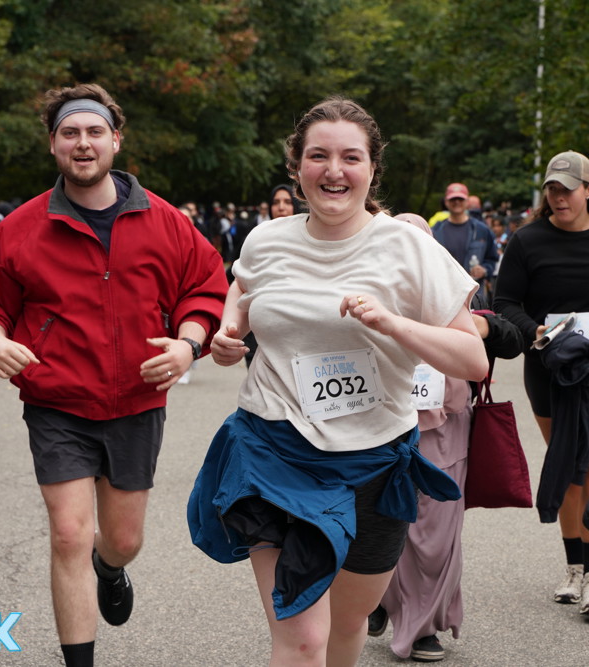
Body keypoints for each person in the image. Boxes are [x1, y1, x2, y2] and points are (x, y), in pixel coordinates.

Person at [188, 96, 488, 667]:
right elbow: (243, 290)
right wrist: (228, 334)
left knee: (348, 625)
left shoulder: (409, 248)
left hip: (374, 462)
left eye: (351, 157)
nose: (334, 170)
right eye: (318, 156)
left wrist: (392, 323)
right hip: (273, 451)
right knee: (303, 638)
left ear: (372, 168)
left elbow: (473, 359)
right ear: (296, 166)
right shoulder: (266, 240)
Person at [0, 83, 228, 667]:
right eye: (69, 133)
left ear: (116, 140)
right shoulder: (21, 227)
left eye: (93, 132)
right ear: (53, 143)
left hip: (137, 400)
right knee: (68, 534)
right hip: (57, 401)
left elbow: (205, 287)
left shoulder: (165, 221)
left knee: (124, 540)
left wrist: (188, 345)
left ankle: (108, 568)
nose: (82, 143)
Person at [369, 212, 523, 663]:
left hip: (447, 429)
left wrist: (482, 326)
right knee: (386, 522)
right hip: (379, 430)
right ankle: (383, 598)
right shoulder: (365, 294)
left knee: (436, 537)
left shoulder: (455, 294)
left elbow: (510, 339)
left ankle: (422, 626)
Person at [494, 150, 589, 616]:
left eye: (568, 189)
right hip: (548, 362)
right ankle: (574, 567)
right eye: (552, 189)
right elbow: (505, 303)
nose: (559, 198)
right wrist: (535, 329)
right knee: (566, 461)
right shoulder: (527, 240)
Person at [242, 184, 301, 369]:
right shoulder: (257, 238)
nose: (281, 207)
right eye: (276, 202)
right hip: (257, 328)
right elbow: (237, 277)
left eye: (287, 202)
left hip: (294, 330)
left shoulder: (309, 238)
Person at [431, 183, 499, 295]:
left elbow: (492, 259)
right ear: (446, 202)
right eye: (453, 199)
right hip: (444, 293)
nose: (457, 202)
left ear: (467, 202)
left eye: (460, 199)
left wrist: (484, 270)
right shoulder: (436, 231)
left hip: (473, 295)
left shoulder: (481, 230)